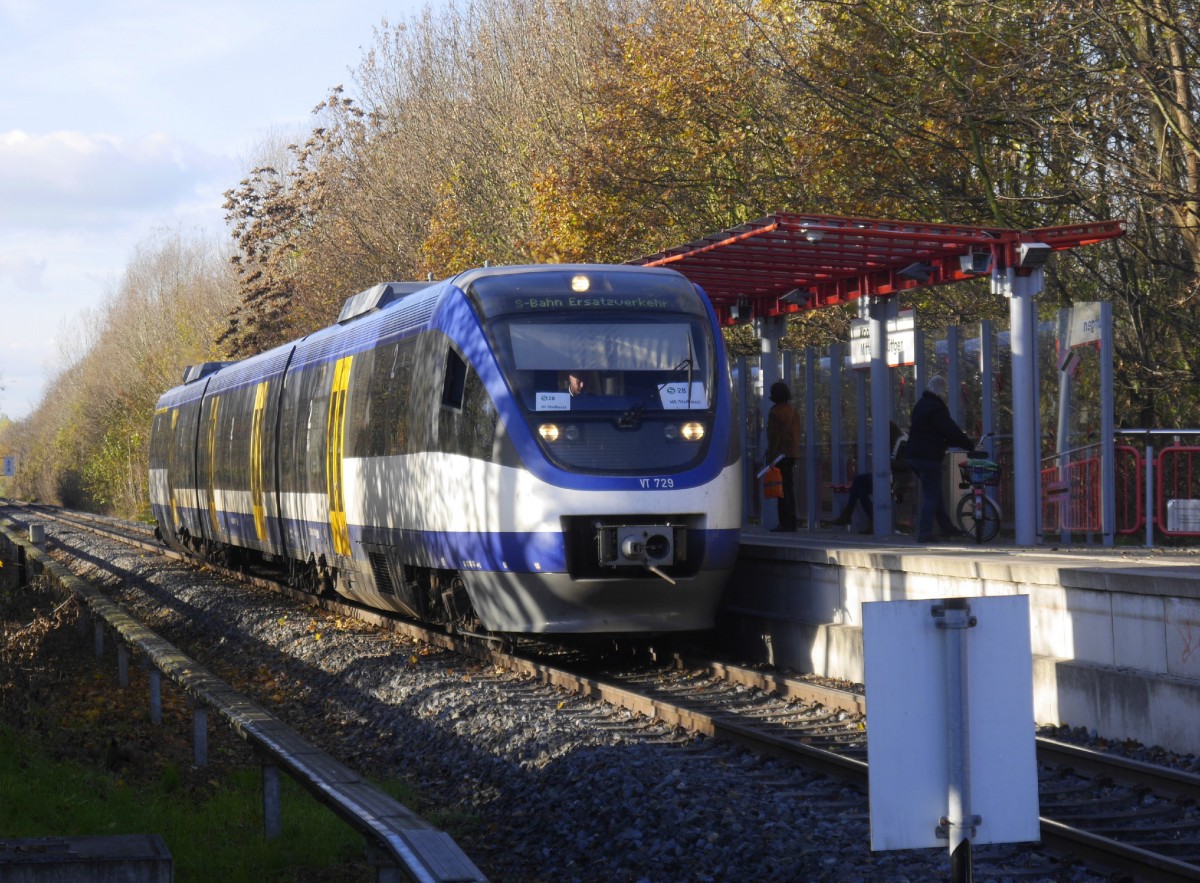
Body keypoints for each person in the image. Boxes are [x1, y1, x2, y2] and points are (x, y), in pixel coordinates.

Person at [907, 375, 974, 542]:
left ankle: (946, 527)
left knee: (935, 492)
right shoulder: (936, 408)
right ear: (941, 390)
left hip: (914, 455)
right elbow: (950, 430)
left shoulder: (921, 405)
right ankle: (924, 532)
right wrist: (969, 445)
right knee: (931, 494)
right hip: (929, 456)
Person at [829, 421, 907, 532]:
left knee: (859, 485)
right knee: (859, 487)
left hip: (895, 479)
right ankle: (856, 517)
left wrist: (886, 462)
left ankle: (850, 515)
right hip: (886, 476)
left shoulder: (902, 442)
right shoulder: (894, 441)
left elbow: (905, 464)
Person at [764, 380, 801, 532]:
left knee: (781, 489)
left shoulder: (775, 413)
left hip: (779, 455)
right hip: (792, 453)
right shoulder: (793, 411)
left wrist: (770, 456)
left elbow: (773, 437)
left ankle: (785, 523)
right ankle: (792, 521)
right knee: (789, 488)